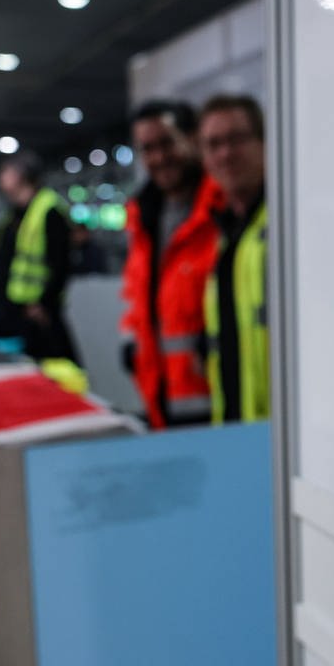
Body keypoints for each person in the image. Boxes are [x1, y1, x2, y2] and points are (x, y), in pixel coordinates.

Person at [119, 100, 225, 428]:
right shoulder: (143, 217)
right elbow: (137, 296)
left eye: (167, 143)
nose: (159, 158)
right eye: (148, 148)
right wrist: (129, 345)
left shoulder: (223, 206)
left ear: (193, 139)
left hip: (220, 403)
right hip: (160, 399)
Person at [199, 94, 269, 423]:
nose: (225, 154)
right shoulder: (225, 233)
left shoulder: (287, 224)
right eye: (213, 144)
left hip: (284, 433)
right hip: (235, 424)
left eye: (236, 139)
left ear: (263, 143)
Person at [0, 151, 80, 363]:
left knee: (55, 371)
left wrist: (44, 304)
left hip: (38, 315)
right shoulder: (13, 214)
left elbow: (61, 264)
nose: (1, 177)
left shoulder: (49, 210)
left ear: (22, 175)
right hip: (13, 312)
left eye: (6, 171)